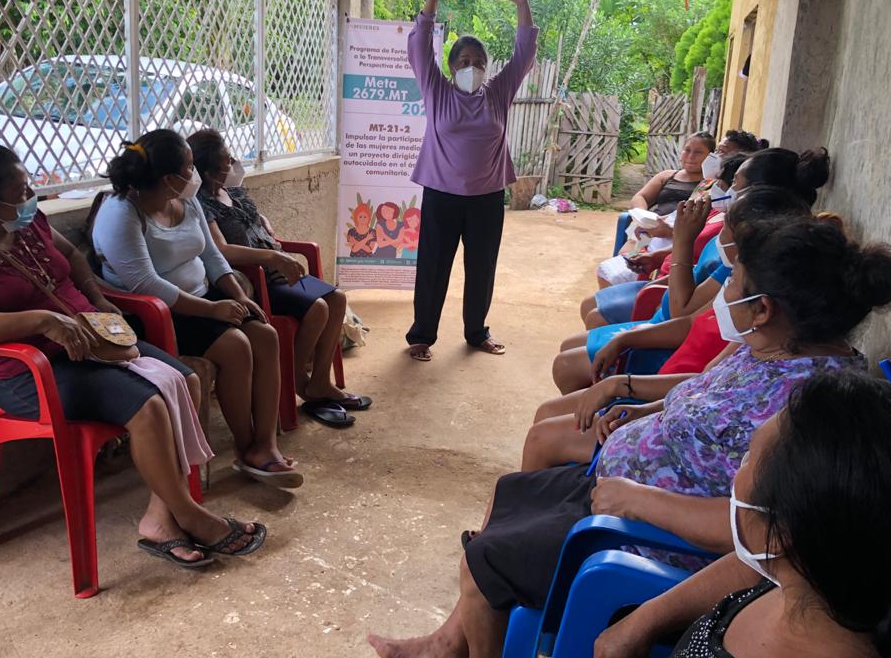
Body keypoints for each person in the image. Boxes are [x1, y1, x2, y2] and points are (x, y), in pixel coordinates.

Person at [368, 215, 891, 658]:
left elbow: (761, 530)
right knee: (510, 494)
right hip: (619, 492)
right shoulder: (769, 346)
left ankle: (463, 637)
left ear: (764, 306)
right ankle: (448, 641)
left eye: (735, 281)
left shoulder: (810, 409)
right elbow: (700, 388)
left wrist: (637, 501)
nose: (725, 291)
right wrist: (639, 404)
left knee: (486, 558)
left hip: (647, 534)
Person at [0, 143, 266, 567]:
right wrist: (42, 321)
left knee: (185, 380)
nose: (32, 198)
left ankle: (160, 517)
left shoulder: (31, 225)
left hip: (94, 343)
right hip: (35, 373)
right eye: (22, 191)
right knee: (150, 405)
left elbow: (72, 256)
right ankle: (191, 514)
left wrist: (97, 299)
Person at [595, 370, 891, 658]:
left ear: (781, 534)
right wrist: (644, 620)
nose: (738, 470)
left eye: (748, 459)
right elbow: (747, 568)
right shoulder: (808, 577)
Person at [520, 186, 813, 474]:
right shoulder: (756, 330)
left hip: (664, 409)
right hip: (664, 399)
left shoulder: (758, 337)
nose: (727, 289)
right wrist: (626, 349)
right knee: (552, 411)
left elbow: (697, 373)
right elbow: (695, 341)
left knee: (545, 429)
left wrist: (626, 387)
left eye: (727, 225)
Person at [91, 129, 302, 488]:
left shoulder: (186, 201)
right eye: (189, 167)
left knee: (265, 335)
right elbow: (146, 284)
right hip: (158, 314)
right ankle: (246, 448)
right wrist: (213, 311)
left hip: (203, 297)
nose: (195, 174)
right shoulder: (121, 213)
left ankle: (265, 444)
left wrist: (237, 295)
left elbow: (212, 256)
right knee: (236, 346)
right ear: (169, 178)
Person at [556, 146, 833, 393]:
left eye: (735, 182)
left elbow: (687, 320)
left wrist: (682, 239)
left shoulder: (747, 263)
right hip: (671, 327)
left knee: (568, 362)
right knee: (575, 342)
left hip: (674, 349)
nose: (726, 188)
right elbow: (695, 308)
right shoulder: (735, 240)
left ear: (758, 192)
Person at [188, 128, 370, 428]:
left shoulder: (233, 192)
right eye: (226, 160)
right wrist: (271, 256)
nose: (233, 163)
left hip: (277, 269)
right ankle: (297, 381)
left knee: (336, 299)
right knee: (317, 308)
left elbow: (255, 221)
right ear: (208, 171)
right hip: (257, 279)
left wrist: (265, 227)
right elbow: (220, 250)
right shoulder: (202, 204)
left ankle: (320, 382)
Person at [404, 0, 538, 362]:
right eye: (463, 61)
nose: (472, 67)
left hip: (486, 198)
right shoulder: (436, 90)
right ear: (451, 66)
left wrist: (522, 3)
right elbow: (419, 44)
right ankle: (421, 337)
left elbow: (524, 53)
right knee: (433, 268)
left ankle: (477, 332)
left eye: (478, 61)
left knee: (482, 269)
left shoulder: (497, 93)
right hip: (441, 196)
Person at [585, 153, 747, 330]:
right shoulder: (712, 208)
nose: (715, 186)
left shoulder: (730, 240)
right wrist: (655, 255)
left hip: (671, 290)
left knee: (595, 315)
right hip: (663, 271)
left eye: (730, 182)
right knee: (591, 301)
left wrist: (679, 236)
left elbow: (684, 311)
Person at [600, 132, 717, 287]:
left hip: (678, 236)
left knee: (635, 270)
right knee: (620, 265)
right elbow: (640, 197)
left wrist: (668, 230)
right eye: (687, 150)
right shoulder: (667, 176)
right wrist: (645, 219)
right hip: (647, 230)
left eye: (698, 152)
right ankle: (617, 293)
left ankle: (637, 294)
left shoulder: (710, 185)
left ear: (710, 157)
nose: (690, 156)